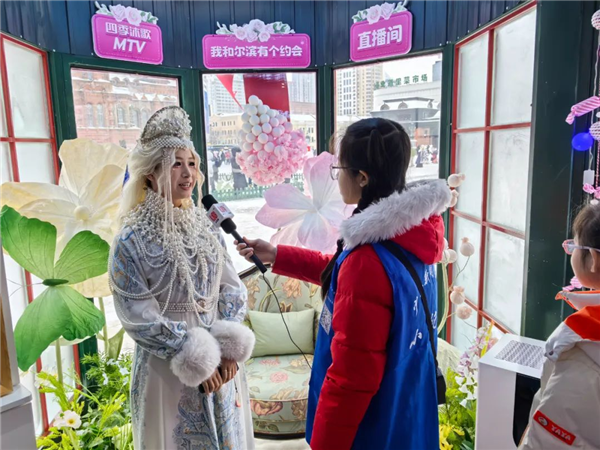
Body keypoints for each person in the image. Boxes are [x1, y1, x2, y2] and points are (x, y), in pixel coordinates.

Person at [236, 117, 452, 449]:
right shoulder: (415, 235)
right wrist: (277, 255)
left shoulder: (368, 259)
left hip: (371, 425)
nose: (336, 177)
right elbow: (345, 276)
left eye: (339, 169)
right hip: (407, 405)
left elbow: (352, 377)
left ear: (362, 177)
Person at [109, 106, 255, 450]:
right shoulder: (130, 239)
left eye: (191, 163)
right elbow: (136, 315)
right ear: (149, 173)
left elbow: (231, 288)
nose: (188, 173)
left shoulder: (207, 226)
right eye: (175, 164)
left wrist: (227, 348)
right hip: (168, 369)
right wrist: (191, 353)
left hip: (223, 365)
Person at [519, 204, 600, 449]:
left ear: (593, 258)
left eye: (574, 246)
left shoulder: (584, 351)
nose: (570, 252)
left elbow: (551, 443)